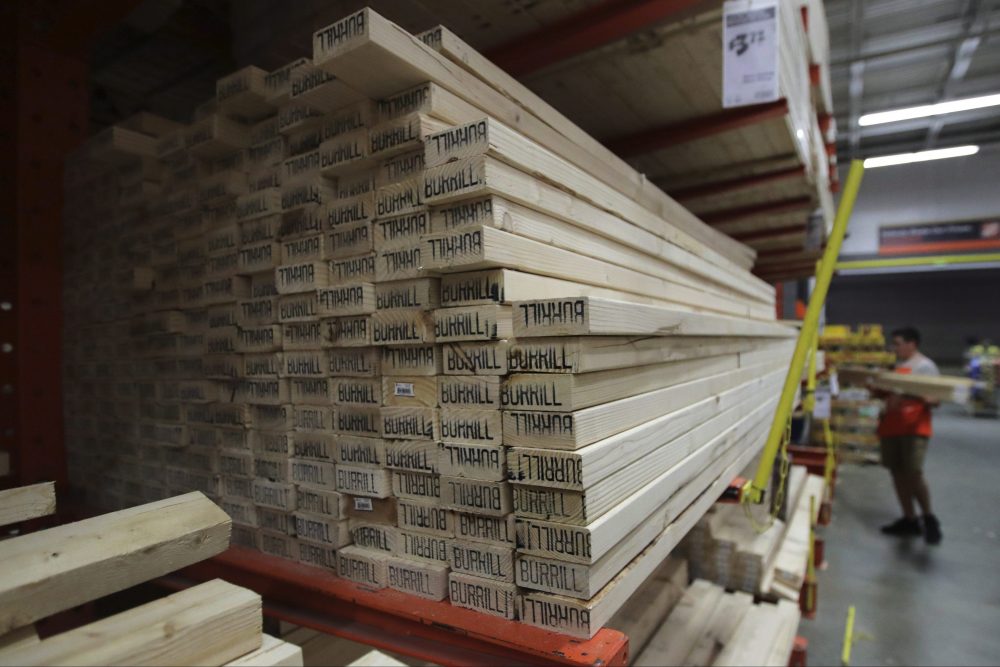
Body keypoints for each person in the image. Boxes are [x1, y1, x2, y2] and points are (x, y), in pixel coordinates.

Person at [874, 326, 942, 544]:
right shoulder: (897, 366)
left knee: (913, 473)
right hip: (891, 426)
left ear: (912, 344)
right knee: (897, 472)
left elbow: (936, 399)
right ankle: (908, 518)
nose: (895, 348)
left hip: (913, 429)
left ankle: (928, 517)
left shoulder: (925, 367)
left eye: (898, 343)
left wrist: (911, 397)